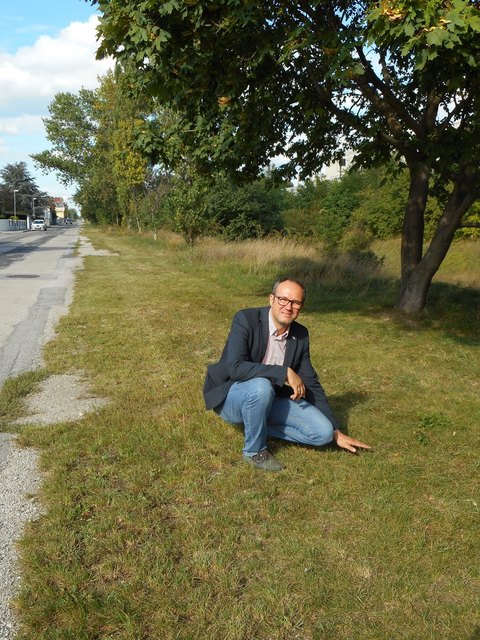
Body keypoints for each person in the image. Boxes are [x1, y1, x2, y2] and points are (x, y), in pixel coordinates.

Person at [203, 277, 371, 471]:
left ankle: (257, 425)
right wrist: (283, 372)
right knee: (261, 386)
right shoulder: (246, 319)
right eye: (283, 299)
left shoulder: (300, 334)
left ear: (301, 306)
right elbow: (235, 367)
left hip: (270, 397)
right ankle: (254, 451)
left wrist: (335, 430)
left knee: (322, 434)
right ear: (271, 299)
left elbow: (311, 383)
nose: (288, 307)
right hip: (231, 396)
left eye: (296, 303)